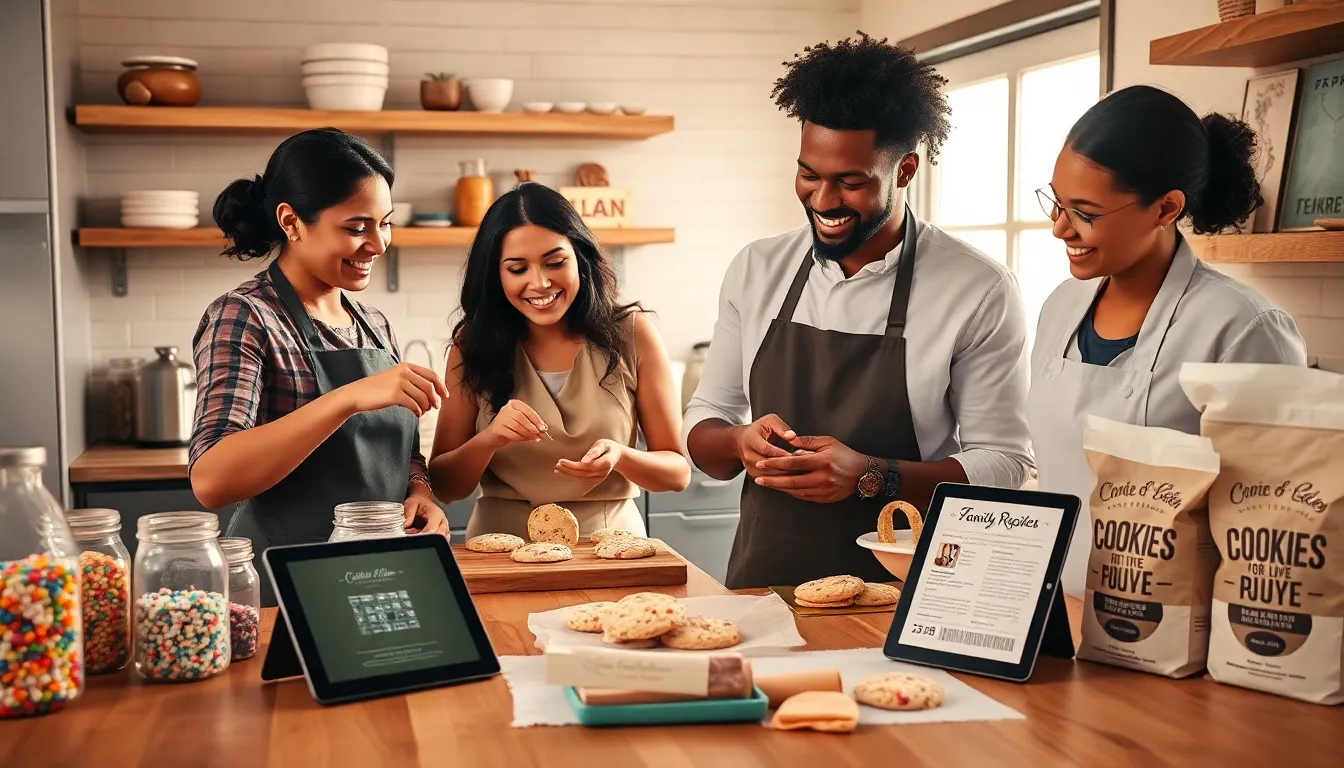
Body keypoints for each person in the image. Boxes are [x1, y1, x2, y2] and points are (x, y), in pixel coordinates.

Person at [683, 33, 1035, 589]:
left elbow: (1008, 466)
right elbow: (707, 424)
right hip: (763, 584)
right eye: (809, 174)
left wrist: (875, 475)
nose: (823, 202)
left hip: (908, 591)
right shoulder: (757, 268)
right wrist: (736, 441)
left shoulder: (976, 288)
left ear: (905, 170)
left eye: (850, 182)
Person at [1027, 85, 1307, 594]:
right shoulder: (1059, 308)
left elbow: (1276, 522)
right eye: (1057, 202)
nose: (1059, 228)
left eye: (1085, 213)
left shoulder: (1242, 326)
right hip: (1051, 614)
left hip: (1173, 629)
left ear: (1165, 209)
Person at [190, 129, 449, 605]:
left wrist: (421, 492)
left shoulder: (373, 324)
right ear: (291, 221)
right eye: (356, 228)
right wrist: (347, 398)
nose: (378, 244)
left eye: (384, 224)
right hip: (288, 587)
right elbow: (211, 478)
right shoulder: (246, 316)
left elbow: (403, 456)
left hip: (385, 579)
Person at [428, 183, 690, 538]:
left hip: (609, 542)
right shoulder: (471, 344)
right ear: (495, 274)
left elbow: (677, 473)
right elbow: (445, 486)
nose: (540, 283)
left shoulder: (632, 333)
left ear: (580, 258)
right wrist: (489, 438)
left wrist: (622, 457)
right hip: (501, 547)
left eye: (555, 263)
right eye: (517, 269)